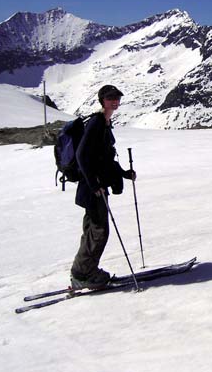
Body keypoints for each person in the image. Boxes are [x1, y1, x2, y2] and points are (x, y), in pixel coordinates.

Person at [70, 84, 136, 289]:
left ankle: (83, 271)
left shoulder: (105, 122)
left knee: (92, 230)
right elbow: (81, 155)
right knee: (99, 232)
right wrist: (93, 183)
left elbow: (104, 159)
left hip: (95, 186)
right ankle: (83, 275)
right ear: (102, 100)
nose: (114, 101)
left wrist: (123, 173)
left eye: (117, 97)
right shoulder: (97, 123)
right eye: (110, 98)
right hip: (92, 189)